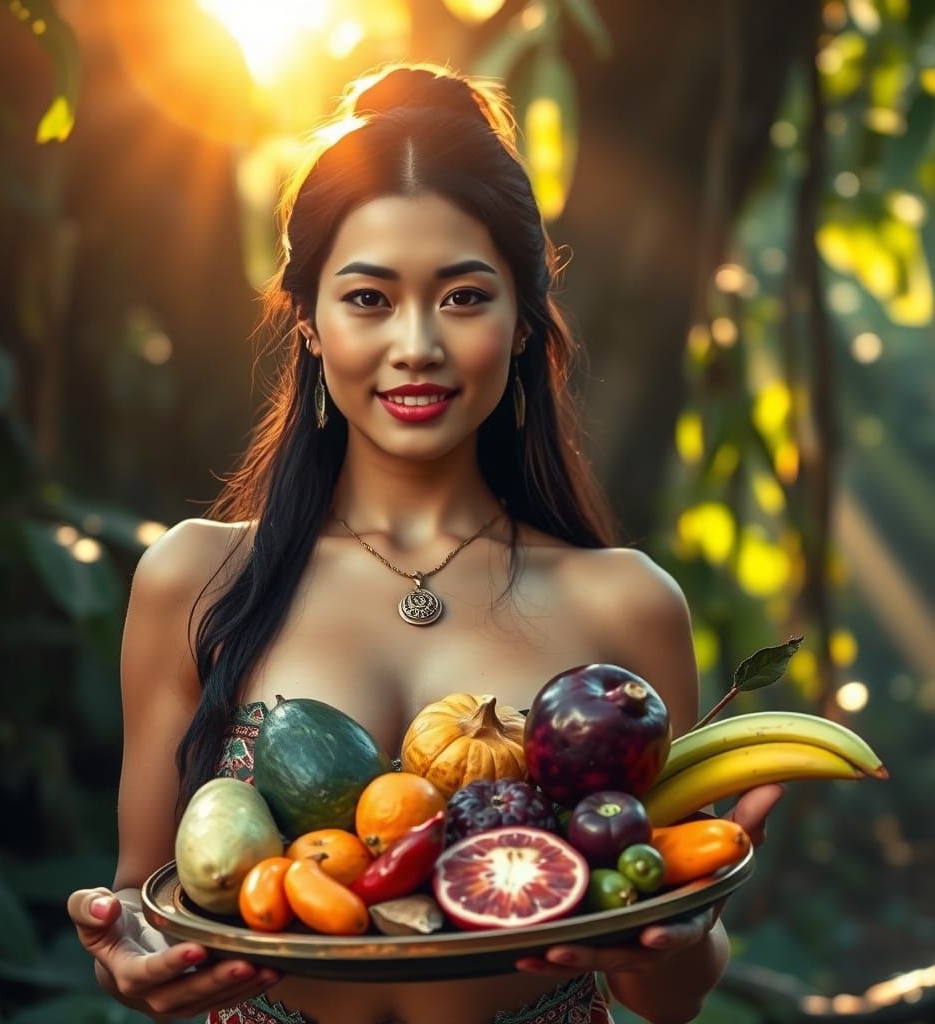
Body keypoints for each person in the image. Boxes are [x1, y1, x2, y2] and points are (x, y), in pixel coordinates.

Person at [67, 62, 783, 1024]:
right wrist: (127, 957)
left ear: (522, 323)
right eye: (369, 299)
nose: (416, 345)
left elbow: (665, 991)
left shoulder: (626, 603)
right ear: (308, 322)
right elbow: (146, 902)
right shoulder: (195, 580)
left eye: (462, 297)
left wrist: (683, 934)